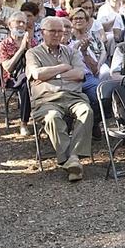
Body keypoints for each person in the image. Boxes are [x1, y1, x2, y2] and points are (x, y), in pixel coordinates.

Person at [26, 16, 97, 181]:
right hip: (47, 99)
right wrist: (63, 68)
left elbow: (80, 73)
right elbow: (37, 74)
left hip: (73, 97)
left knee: (86, 111)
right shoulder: (33, 53)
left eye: (60, 31)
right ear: (43, 32)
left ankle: (72, 158)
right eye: (52, 31)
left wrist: (51, 75)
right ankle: (72, 160)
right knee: (52, 117)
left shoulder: (71, 52)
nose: (57, 35)